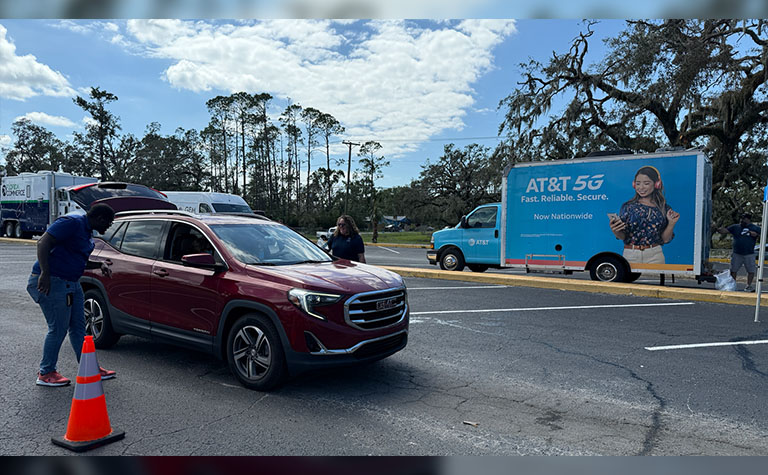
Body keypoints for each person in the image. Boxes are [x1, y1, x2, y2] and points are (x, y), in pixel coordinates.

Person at [26, 204, 117, 387]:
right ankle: (46, 372)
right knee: (58, 329)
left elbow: (77, 258)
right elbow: (43, 242)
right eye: (108, 222)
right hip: (53, 282)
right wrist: (45, 273)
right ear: (99, 218)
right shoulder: (72, 222)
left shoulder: (86, 230)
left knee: (79, 328)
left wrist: (99, 265)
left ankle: (89, 368)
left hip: (71, 284)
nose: (109, 226)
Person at [609, 165, 680, 264]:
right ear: (634, 185)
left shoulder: (664, 208)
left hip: (655, 255)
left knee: (654, 280)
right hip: (630, 254)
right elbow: (623, 236)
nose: (641, 187)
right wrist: (615, 230)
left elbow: (665, 240)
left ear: (656, 184)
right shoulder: (628, 207)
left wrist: (671, 223)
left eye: (646, 183)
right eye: (638, 183)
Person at [717, 213, 761, 292]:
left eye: (743, 219)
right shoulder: (735, 227)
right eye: (741, 218)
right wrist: (717, 228)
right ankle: (732, 285)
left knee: (751, 270)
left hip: (749, 253)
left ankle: (748, 285)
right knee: (733, 270)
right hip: (737, 253)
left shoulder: (755, 228)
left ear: (748, 219)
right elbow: (724, 231)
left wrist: (755, 234)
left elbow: (761, 235)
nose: (741, 220)